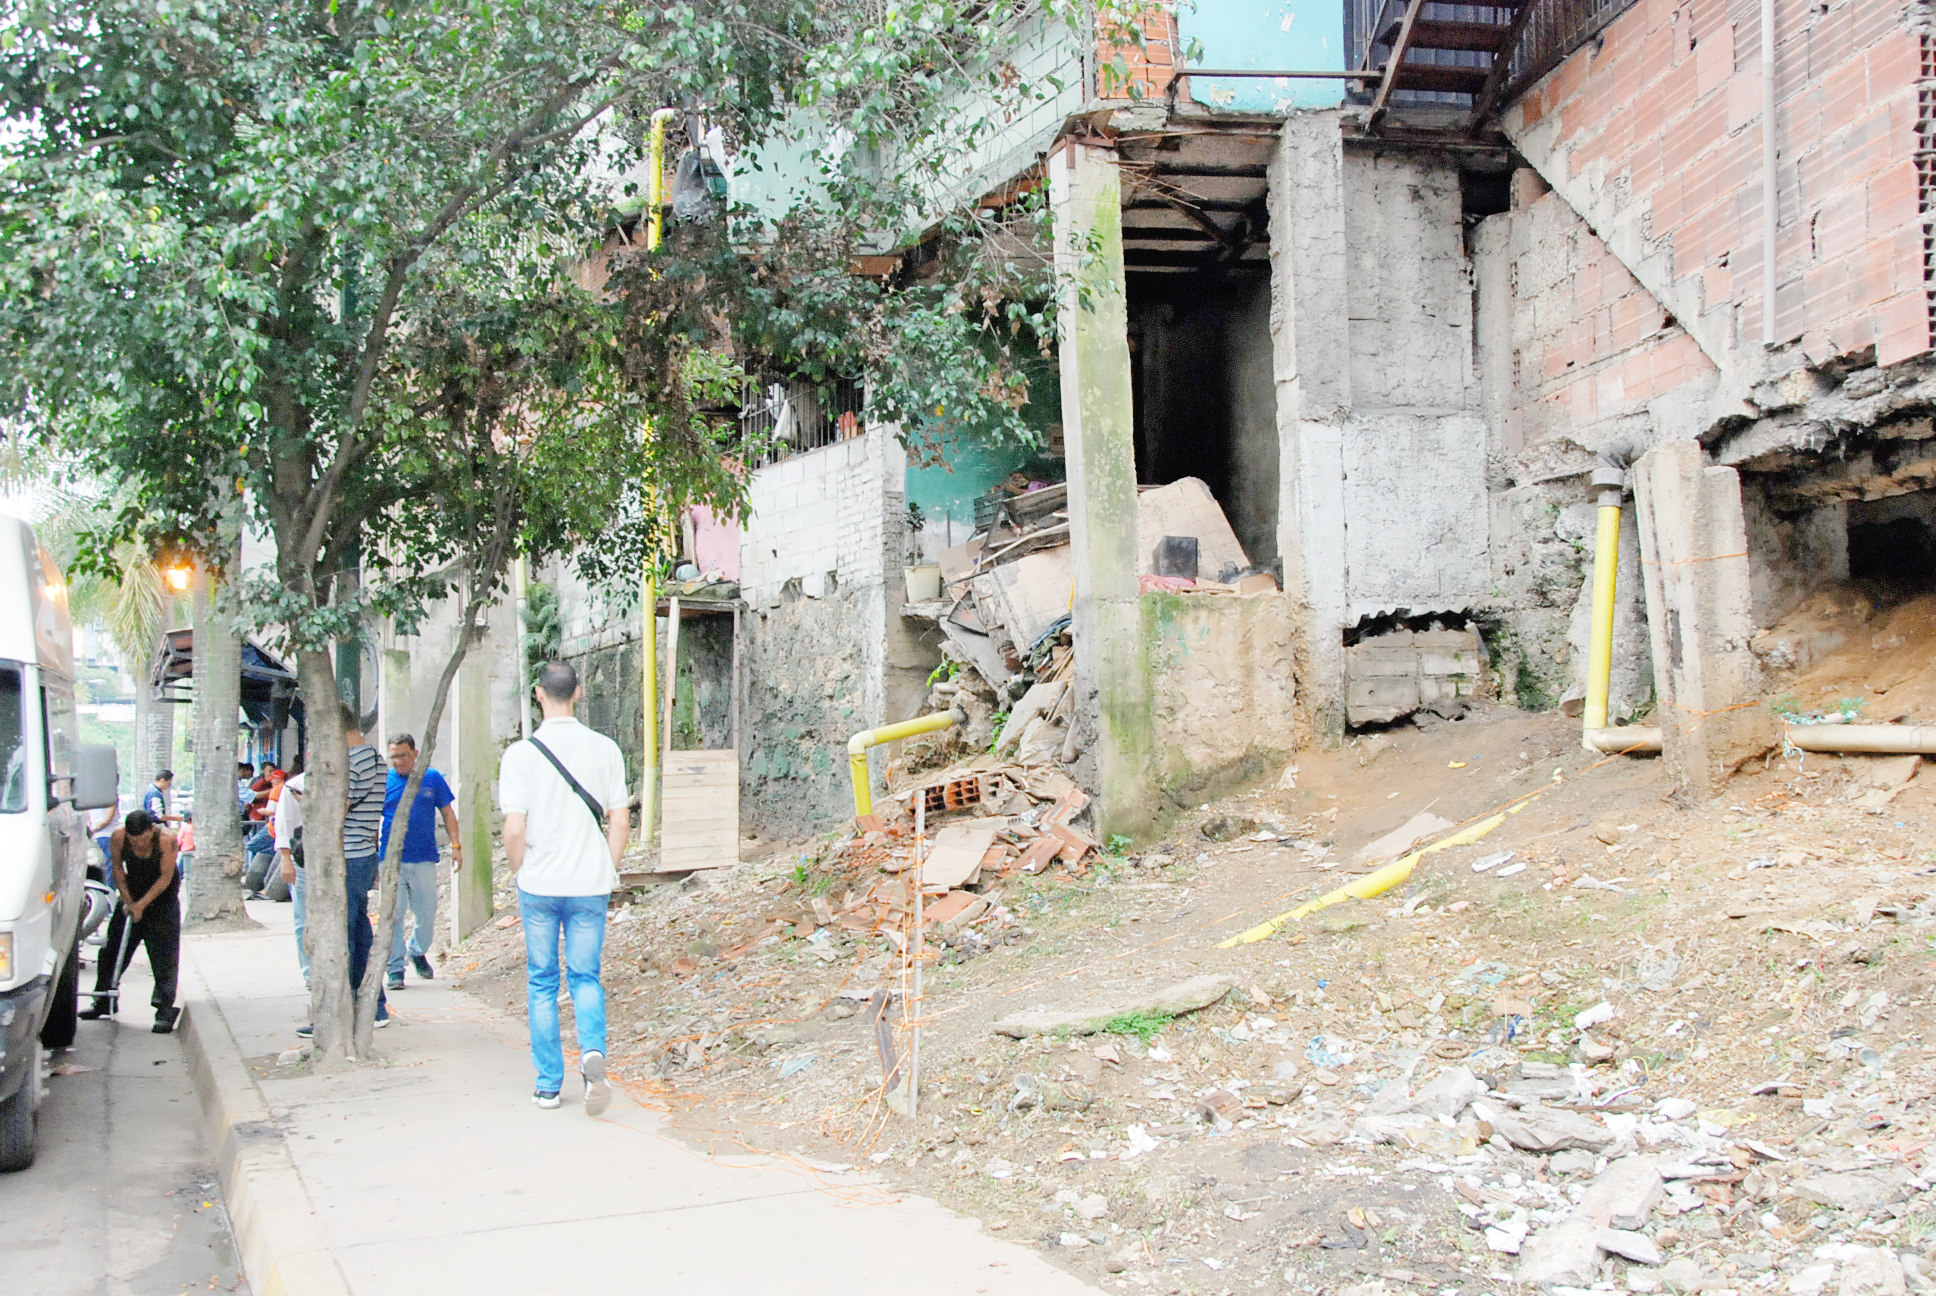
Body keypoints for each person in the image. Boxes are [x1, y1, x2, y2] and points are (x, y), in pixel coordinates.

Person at [498, 661, 628, 1113]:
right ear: (578, 693)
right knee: (585, 976)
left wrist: (521, 870)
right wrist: (606, 869)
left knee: (541, 982)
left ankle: (548, 1084)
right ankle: (593, 1054)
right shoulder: (606, 748)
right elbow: (620, 819)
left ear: (538, 693)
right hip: (589, 883)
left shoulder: (520, 754)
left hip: (540, 883)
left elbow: (514, 828)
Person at [297, 706, 388, 1035]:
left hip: (348, 856)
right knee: (359, 931)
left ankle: (340, 1010)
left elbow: (337, 806)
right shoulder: (374, 759)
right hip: (362, 853)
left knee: (342, 935)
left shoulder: (354, 762)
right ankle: (372, 1004)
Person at [80, 810, 182, 1033]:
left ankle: (164, 1008)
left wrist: (142, 905)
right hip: (132, 892)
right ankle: (103, 999)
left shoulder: (166, 839)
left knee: (163, 955)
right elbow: (117, 868)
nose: (140, 844)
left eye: (144, 839)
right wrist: (128, 900)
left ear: (151, 830)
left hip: (162, 898)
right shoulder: (119, 836)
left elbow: (165, 878)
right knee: (111, 950)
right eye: (135, 840)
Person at [380, 733, 459, 990]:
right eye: (393, 757)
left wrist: (455, 846)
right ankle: (395, 968)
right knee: (393, 914)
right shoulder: (383, 782)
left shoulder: (431, 778)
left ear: (414, 754)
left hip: (424, 856)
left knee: (426, 912)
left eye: (403, 755)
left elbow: (447, 812)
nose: (398, 762)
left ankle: (417, 950)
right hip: (391, 861)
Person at [274, 772, 307, 979]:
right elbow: (284, 826)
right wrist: (286, 860)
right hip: (302, 857)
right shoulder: (295, 785)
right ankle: (309, 972)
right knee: (303, 919)